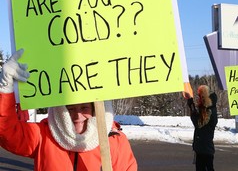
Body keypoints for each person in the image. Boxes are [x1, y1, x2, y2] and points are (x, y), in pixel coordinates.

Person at [0, 49, 137, 171]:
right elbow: (7, 132)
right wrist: (5, 88)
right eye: (70, 109)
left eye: (84, 107)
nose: (77, 115)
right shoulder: (44, 135)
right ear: (61, 110)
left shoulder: (115, 141)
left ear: (96, 109)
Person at [186, 85, 218, 171]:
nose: (198, 99)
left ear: (204, 97)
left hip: (205, 148)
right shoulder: (206, 108)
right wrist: (191, 104)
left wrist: (192, 108)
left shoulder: (209, 110)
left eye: (199, 96)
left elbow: (198, 123)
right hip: (201, 147)